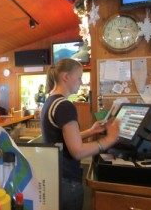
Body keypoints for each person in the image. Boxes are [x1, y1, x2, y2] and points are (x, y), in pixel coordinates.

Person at [40, 59, 120, 210]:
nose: (81, 82)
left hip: (56, 175)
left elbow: (60, 138)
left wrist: (91, 131)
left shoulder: (51, 100)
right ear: (66, 77)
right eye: (79, 77)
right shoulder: (65, 105)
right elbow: (77, 152)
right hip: (66, 179)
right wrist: (110, 139)